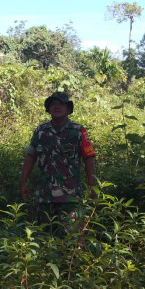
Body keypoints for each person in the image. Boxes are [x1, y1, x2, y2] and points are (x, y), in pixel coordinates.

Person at [19, 92, 97, 227]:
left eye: (61, 104)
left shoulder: (78, 131)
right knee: (45, 237)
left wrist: (93, 187)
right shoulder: (41, 131)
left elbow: (88, 158)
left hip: (70, 197)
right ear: (48, 109)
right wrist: (23, 181)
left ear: (68, 109)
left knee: (73, 237)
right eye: (53, 104)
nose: (56, 107)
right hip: (45, 196)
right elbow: (31, 156)